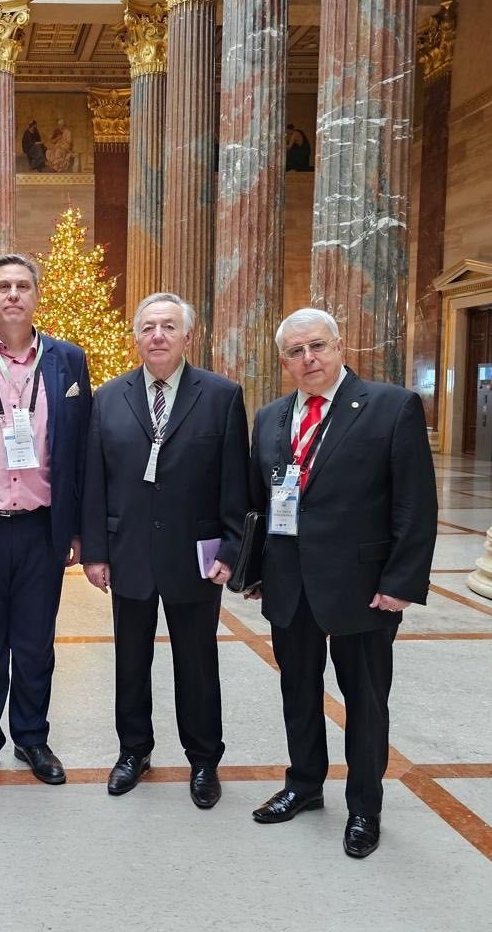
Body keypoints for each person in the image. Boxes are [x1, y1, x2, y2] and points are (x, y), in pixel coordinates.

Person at [247, 308, 437, 858]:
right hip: (290, 584)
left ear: (339, 346)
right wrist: (257, 570)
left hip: (363, 586)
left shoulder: (391, 406)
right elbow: (261, 502)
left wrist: (401, 582)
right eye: (295, 351)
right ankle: (304, 785)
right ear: (283, 361)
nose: (308, 358)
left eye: (317, 346)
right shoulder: (271, 417)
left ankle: (364, 808)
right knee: (298, 691)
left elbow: (415, 504)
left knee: (366, 701)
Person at [81, 292, 249, 806]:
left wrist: (232, 549)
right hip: (128, 550)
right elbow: (94, 481)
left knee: (197, 664)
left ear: (187, 336)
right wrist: (95, 552)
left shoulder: (221, 396)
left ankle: (204, 760)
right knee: (130, 661)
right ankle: (133, 751)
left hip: (195, 555)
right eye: (149, 327)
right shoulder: (108, 397)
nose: (158, 335)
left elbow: (235, 482)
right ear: (136, 337)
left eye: (169, 327)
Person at [0, 254, 92, 793]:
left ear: (36, 296)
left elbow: (81, 451)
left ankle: (32, 737)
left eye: (22, 286)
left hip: (40, 529)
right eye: (3, 286)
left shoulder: (69, 360)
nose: (12, 294)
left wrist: (78, 530)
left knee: (34, 645)